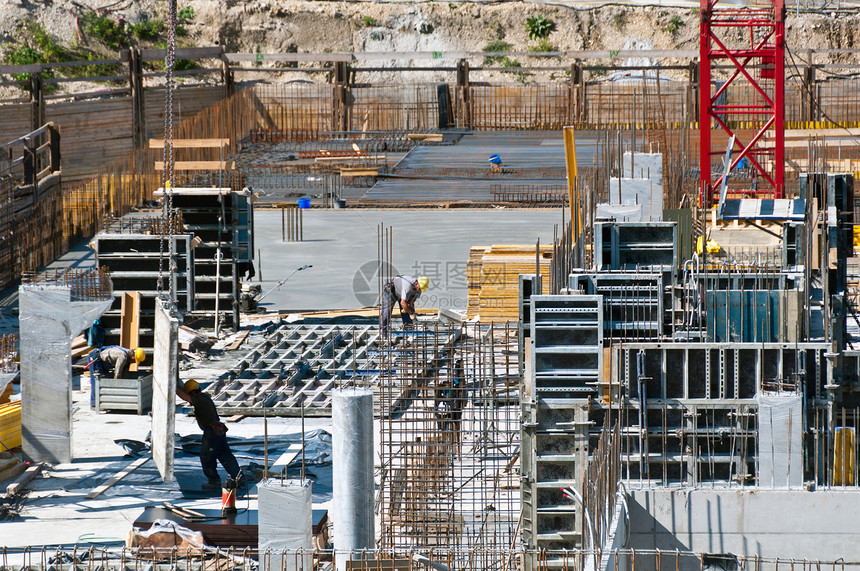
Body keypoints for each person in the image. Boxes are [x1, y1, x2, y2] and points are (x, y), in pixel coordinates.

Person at [176, 379, 242, 490]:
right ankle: (239, 478)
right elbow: (185, 392)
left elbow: (184, 397)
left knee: (207, 458)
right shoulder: (203, 396)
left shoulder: (199, 400)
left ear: (192, 392)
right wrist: (175, 385)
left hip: (212, 433)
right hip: (218, 431)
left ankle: (214, 481)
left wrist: (171, 387)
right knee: (225, 456)